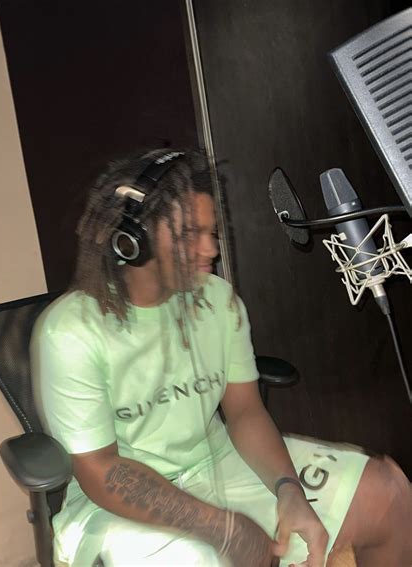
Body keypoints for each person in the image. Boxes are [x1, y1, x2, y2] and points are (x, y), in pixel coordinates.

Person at [31, 148, 411, 567]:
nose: (210, 249)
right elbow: (101, 470)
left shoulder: (218, 301)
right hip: (113, 504)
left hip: (218, 462)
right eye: (190, 234)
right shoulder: (70, 332)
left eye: (212, 232)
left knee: (387, 492)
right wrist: (221, 527)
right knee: (202, 559)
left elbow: (245, 412)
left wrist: (289, 490)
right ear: (135, 241)